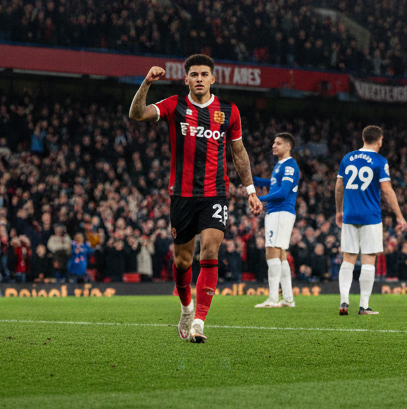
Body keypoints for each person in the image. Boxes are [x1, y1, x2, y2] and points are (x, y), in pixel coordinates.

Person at [128, 55, 263, 343]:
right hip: (182, 195)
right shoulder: (174, 105)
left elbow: (239, 153)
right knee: (182, 261)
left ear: (213, 79)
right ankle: (187, 308)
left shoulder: (229, 111)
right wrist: (146, 83)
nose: (199, 78)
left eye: (204, 74)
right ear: (186, 79)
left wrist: (250, 190)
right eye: (194, 74)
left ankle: (200, 320)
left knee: (210, 251)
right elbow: (137, 114)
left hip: (215, 192)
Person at [334, 125, 407, 316]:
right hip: (371, 216)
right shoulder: (380, 161)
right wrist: (399, 216)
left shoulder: (347, 158)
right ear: (379, 141)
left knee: (348, 259)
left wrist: (339, 210)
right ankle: (364, 306)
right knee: (368, 260)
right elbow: (386, 190)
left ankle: (343, 302)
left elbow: (339, 186)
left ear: (363, 138)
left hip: (350, 214)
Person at [253, 132, 301, 308]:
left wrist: (260, 199)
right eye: (274, 142)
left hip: (281, 212)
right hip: (279, 213)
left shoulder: (289, 166)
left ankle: (273, 298)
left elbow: (282, 192)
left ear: (288, 146)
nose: (274, 146)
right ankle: (288, 298)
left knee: (271, 251)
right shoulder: (280, 165)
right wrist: (250, 179)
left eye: (278, 143)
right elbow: (272, 182)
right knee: (280, 255)